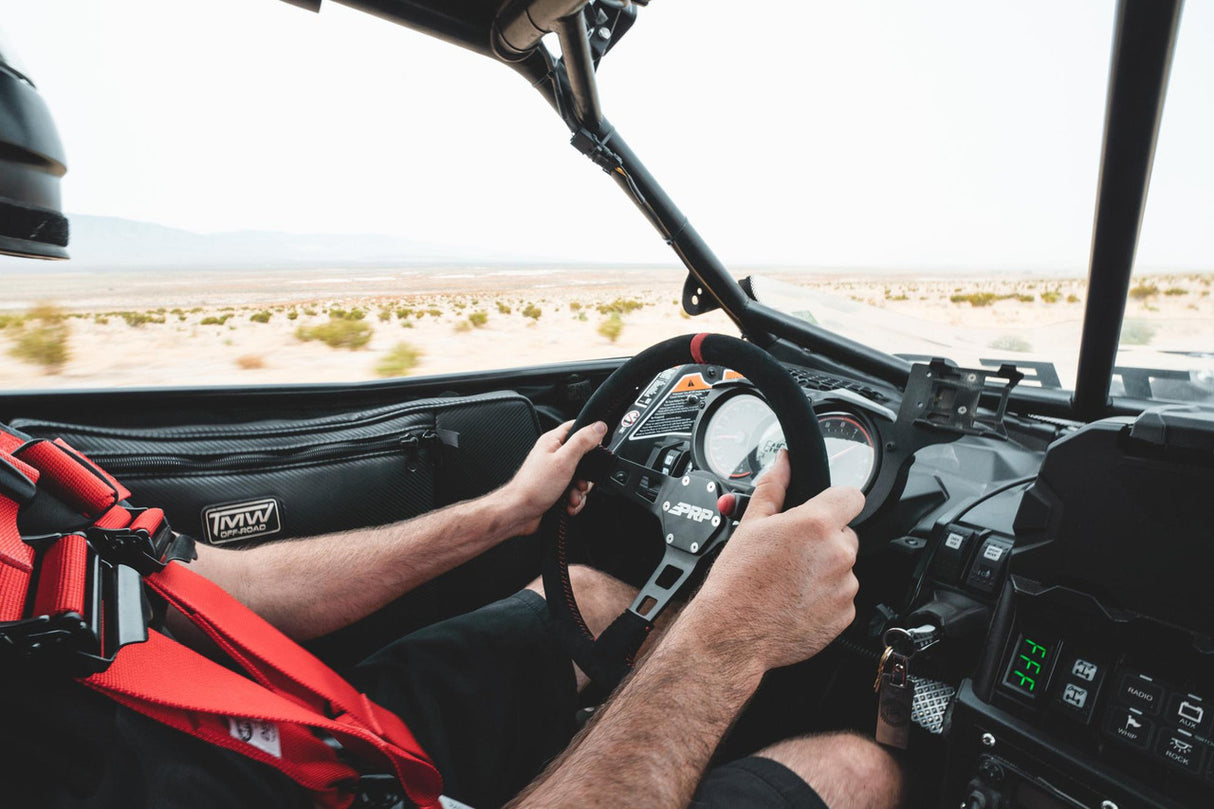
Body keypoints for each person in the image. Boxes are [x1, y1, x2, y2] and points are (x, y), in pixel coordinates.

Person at [174, 420, 906, 809]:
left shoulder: (58, 510)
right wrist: (728, 639)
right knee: (859, 767)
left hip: (279, 745)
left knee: (586, 595)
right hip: (260, 762)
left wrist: (505, 512)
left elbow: (211, 581)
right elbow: (724, 637)